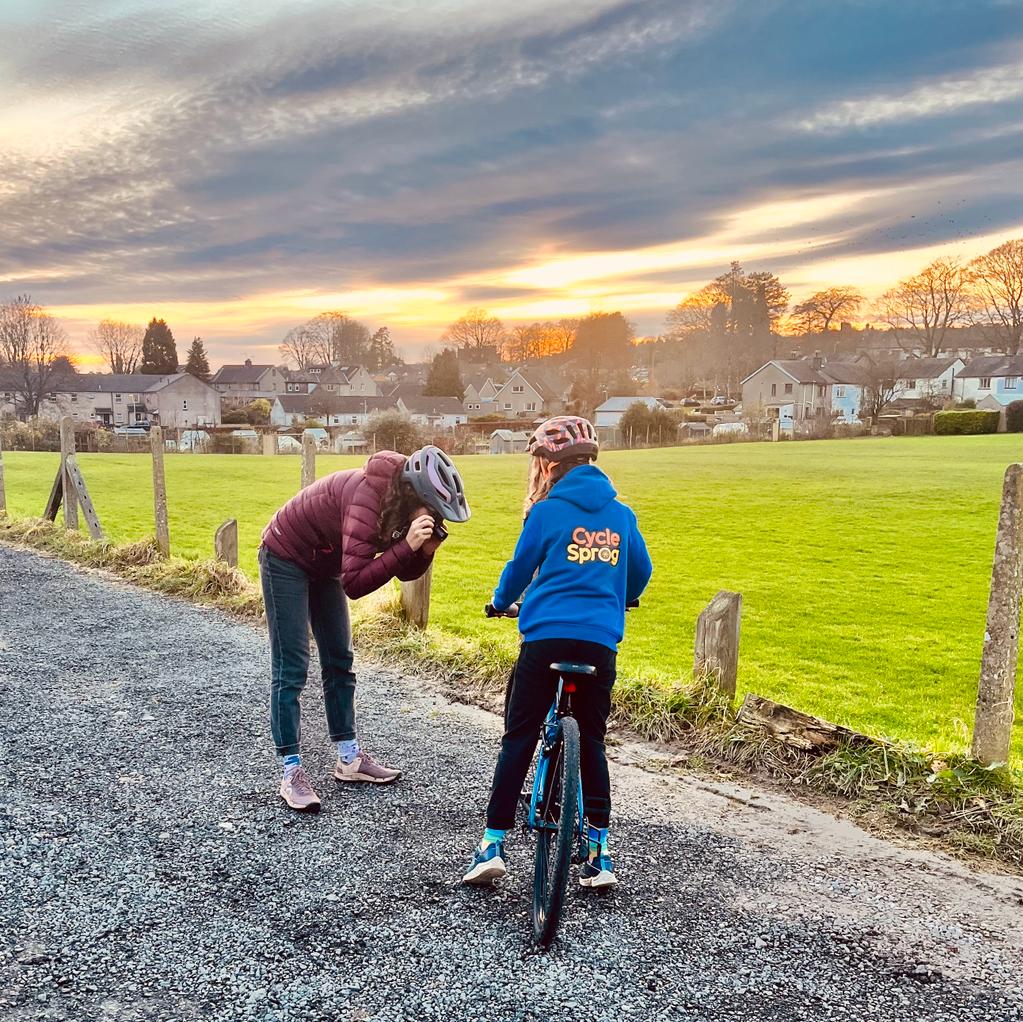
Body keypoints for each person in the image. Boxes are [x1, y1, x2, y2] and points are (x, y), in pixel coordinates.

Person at [463, 416, 652, 889]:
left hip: (546, 636)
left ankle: (492, 846)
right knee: (591, 739)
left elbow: (519, 568)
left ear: (549, 465)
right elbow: (641, 572)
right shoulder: (621, 515)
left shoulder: (545, 513)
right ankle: (600, 853)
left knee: (519, 736)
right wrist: (622, 595)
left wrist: (500, 603)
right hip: (599, 640)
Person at [260, 445, 470, 813]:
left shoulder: (401, 508)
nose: (434, 518)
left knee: (340, 659)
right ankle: (291, 772)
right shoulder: (367, 497)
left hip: (324, 564)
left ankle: (349, 759)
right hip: (285, 557)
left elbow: (401, 569)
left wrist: (424, 550)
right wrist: (407, 545)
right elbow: (355, 584)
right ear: (413, 495)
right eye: (433, 511)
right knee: (292, 665)